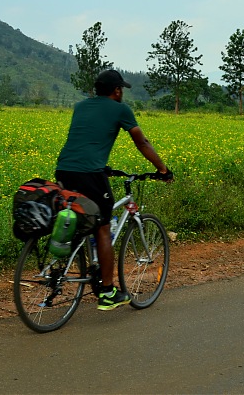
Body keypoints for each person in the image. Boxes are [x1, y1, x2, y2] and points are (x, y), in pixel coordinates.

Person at [56, 69, 173, 310]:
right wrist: (163, 170)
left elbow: (86, 139)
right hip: (90, 173)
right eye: (121, 89)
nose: (122, 93)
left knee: (82, 216)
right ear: (116, 90)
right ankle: (108, 292)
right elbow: (141, 142)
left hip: (64, 170)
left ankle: (82, 264)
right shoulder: (121, 110)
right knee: (103, 226)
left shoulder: (80, 106)